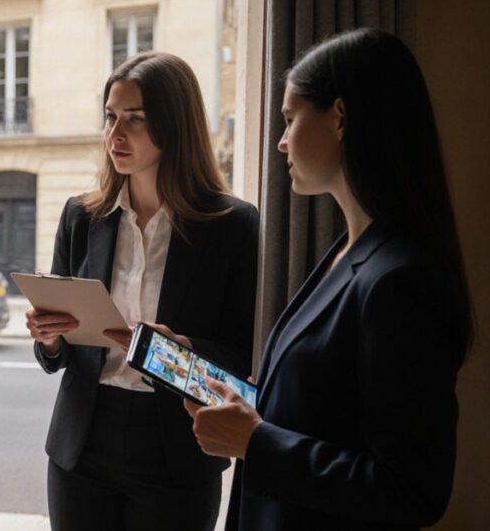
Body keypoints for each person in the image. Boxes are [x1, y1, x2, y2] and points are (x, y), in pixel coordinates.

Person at [183, 29, 472, 531]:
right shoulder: (348, 252)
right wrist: (239, 401)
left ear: (339, 117)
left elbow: (412, 491)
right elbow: (323, 404)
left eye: (290, 118)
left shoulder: (400, 280)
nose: (281, 141)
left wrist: (255, 441)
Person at [24, 51, 260, 531]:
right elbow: (59, 356)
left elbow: (244, 357)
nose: (116, 133)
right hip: (83, 443)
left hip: (177, 444)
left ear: (175, 124)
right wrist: (48, 337)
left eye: (135, 118)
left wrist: (180, 350)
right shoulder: (81, 216)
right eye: (111, 116)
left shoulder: (232, 225)